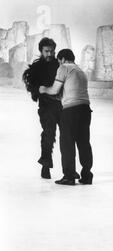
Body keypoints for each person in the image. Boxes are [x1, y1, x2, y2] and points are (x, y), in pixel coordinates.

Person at [39, 49, 93, 186]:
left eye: (59, 61)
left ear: (62, 59)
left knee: (67, 144)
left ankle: (69, 177)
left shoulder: (64, 68)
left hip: (71, 111)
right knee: (84, 143)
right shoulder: (81, 71)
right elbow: (68, 92)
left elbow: (54, 90)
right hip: (85, 109)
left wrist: (43, 89)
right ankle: (87, 175)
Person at [22, 37, 67, 179]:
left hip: (63, 104)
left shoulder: (60, 65)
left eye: (52, 51)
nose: (50, 54)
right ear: (41, 51)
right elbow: (31, 85)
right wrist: (39, 90)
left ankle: (69, 170)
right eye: (47, 51)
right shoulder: (36, 68)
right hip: (46, 106)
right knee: (48, 134)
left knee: (67, 135)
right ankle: (46, 165)